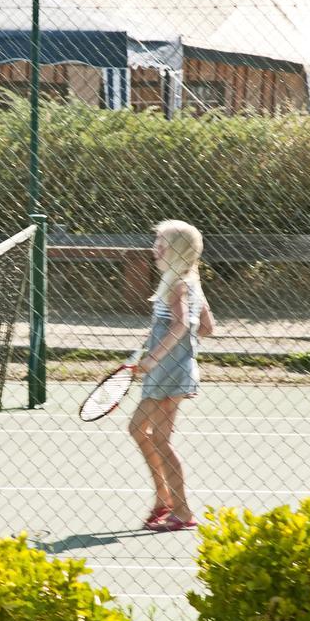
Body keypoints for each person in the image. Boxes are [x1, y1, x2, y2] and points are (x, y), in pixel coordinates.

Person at [129, 221, 214, 532]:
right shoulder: (190, 282)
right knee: (145, 432)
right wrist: (173, 351)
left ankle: (179, 508)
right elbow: (206, 326)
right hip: (175, 370)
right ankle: (165, 499)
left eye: (161, 244)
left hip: (166, 373)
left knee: (150, 434)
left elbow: (180, 326)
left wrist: (153, 358)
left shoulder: (177, 283)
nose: (155, 249)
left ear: (176, 251)